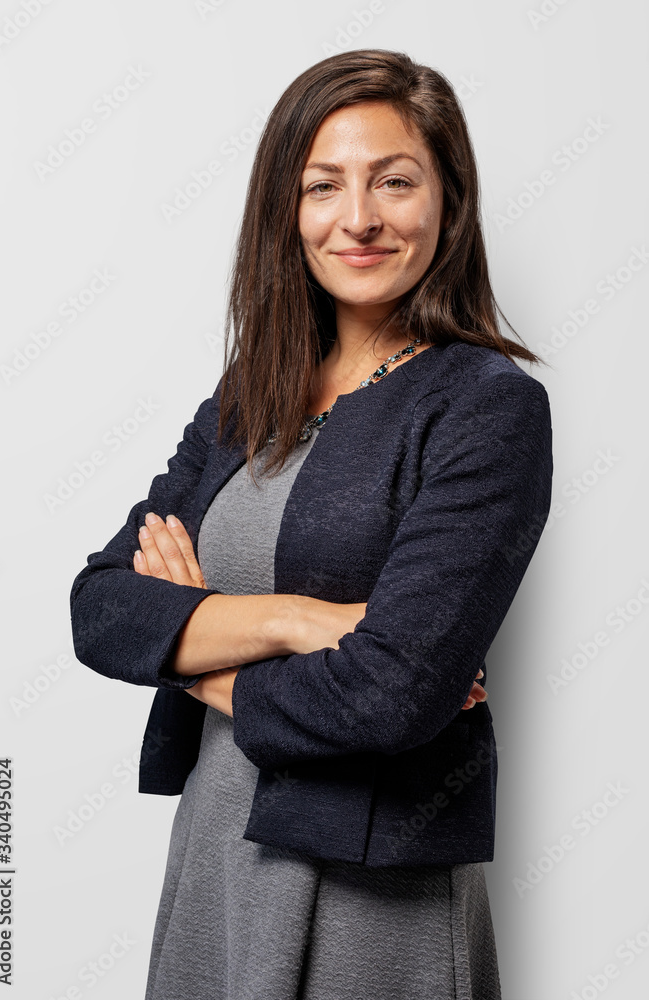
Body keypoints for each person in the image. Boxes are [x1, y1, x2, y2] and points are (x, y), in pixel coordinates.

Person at [70, 48, 553, 1000]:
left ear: (447, 202)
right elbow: (101, 608)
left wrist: (197, 641)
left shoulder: (485, 408)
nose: (358, 218)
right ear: (286, 214)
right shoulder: (247, 400)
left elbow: (393, 694)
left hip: (373, 888)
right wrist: (299, 620)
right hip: (217, 855)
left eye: (395, 182)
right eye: (323, 185)